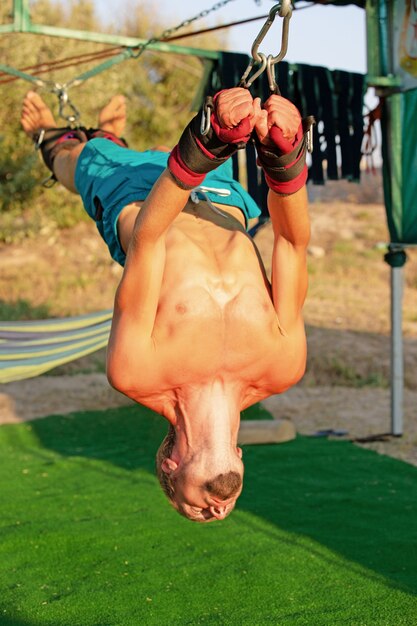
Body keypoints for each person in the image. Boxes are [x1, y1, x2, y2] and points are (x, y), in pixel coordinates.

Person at [21, 87, 312, 523]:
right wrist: (284, 161)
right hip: (218, 195)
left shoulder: (137, 374)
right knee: (161, 149)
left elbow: (149, 241)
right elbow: (291, 245)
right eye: (224, 510)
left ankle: (52, 139)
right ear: (239, 456)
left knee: (78, 161)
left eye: (194, 509)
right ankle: (114, 136)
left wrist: (203, 148)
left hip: (138, 199)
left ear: (169, 466)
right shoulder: (283, 368)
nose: (216, 511)